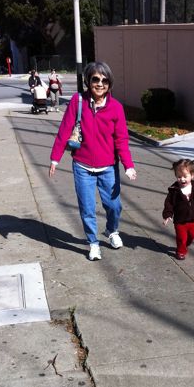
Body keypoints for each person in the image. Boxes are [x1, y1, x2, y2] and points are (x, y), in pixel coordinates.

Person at [48, 61, 137, 261]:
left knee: (114, 206)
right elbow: (64, 131)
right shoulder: (77, 101)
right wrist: (55, 158)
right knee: (87, 208)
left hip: (108, 167)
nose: (100, 84)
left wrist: (128, 165)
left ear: (110, 83)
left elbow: (121, 139)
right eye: (95, 79)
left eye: (105, 80)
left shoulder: (116, 108)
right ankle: (93, 243)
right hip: (82, 167)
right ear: (88, 80)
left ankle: (112, 231)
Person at [162, 158, 194, 260]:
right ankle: (180, 251)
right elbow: (169, 203)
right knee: (181, 238)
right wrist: (167, 215)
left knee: (193, 235)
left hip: (193, 218)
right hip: (180, 220)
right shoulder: (174, 190)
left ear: (192, 176)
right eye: (179, 177)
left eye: (185, 176)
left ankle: (184, 245)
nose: (182, 179)